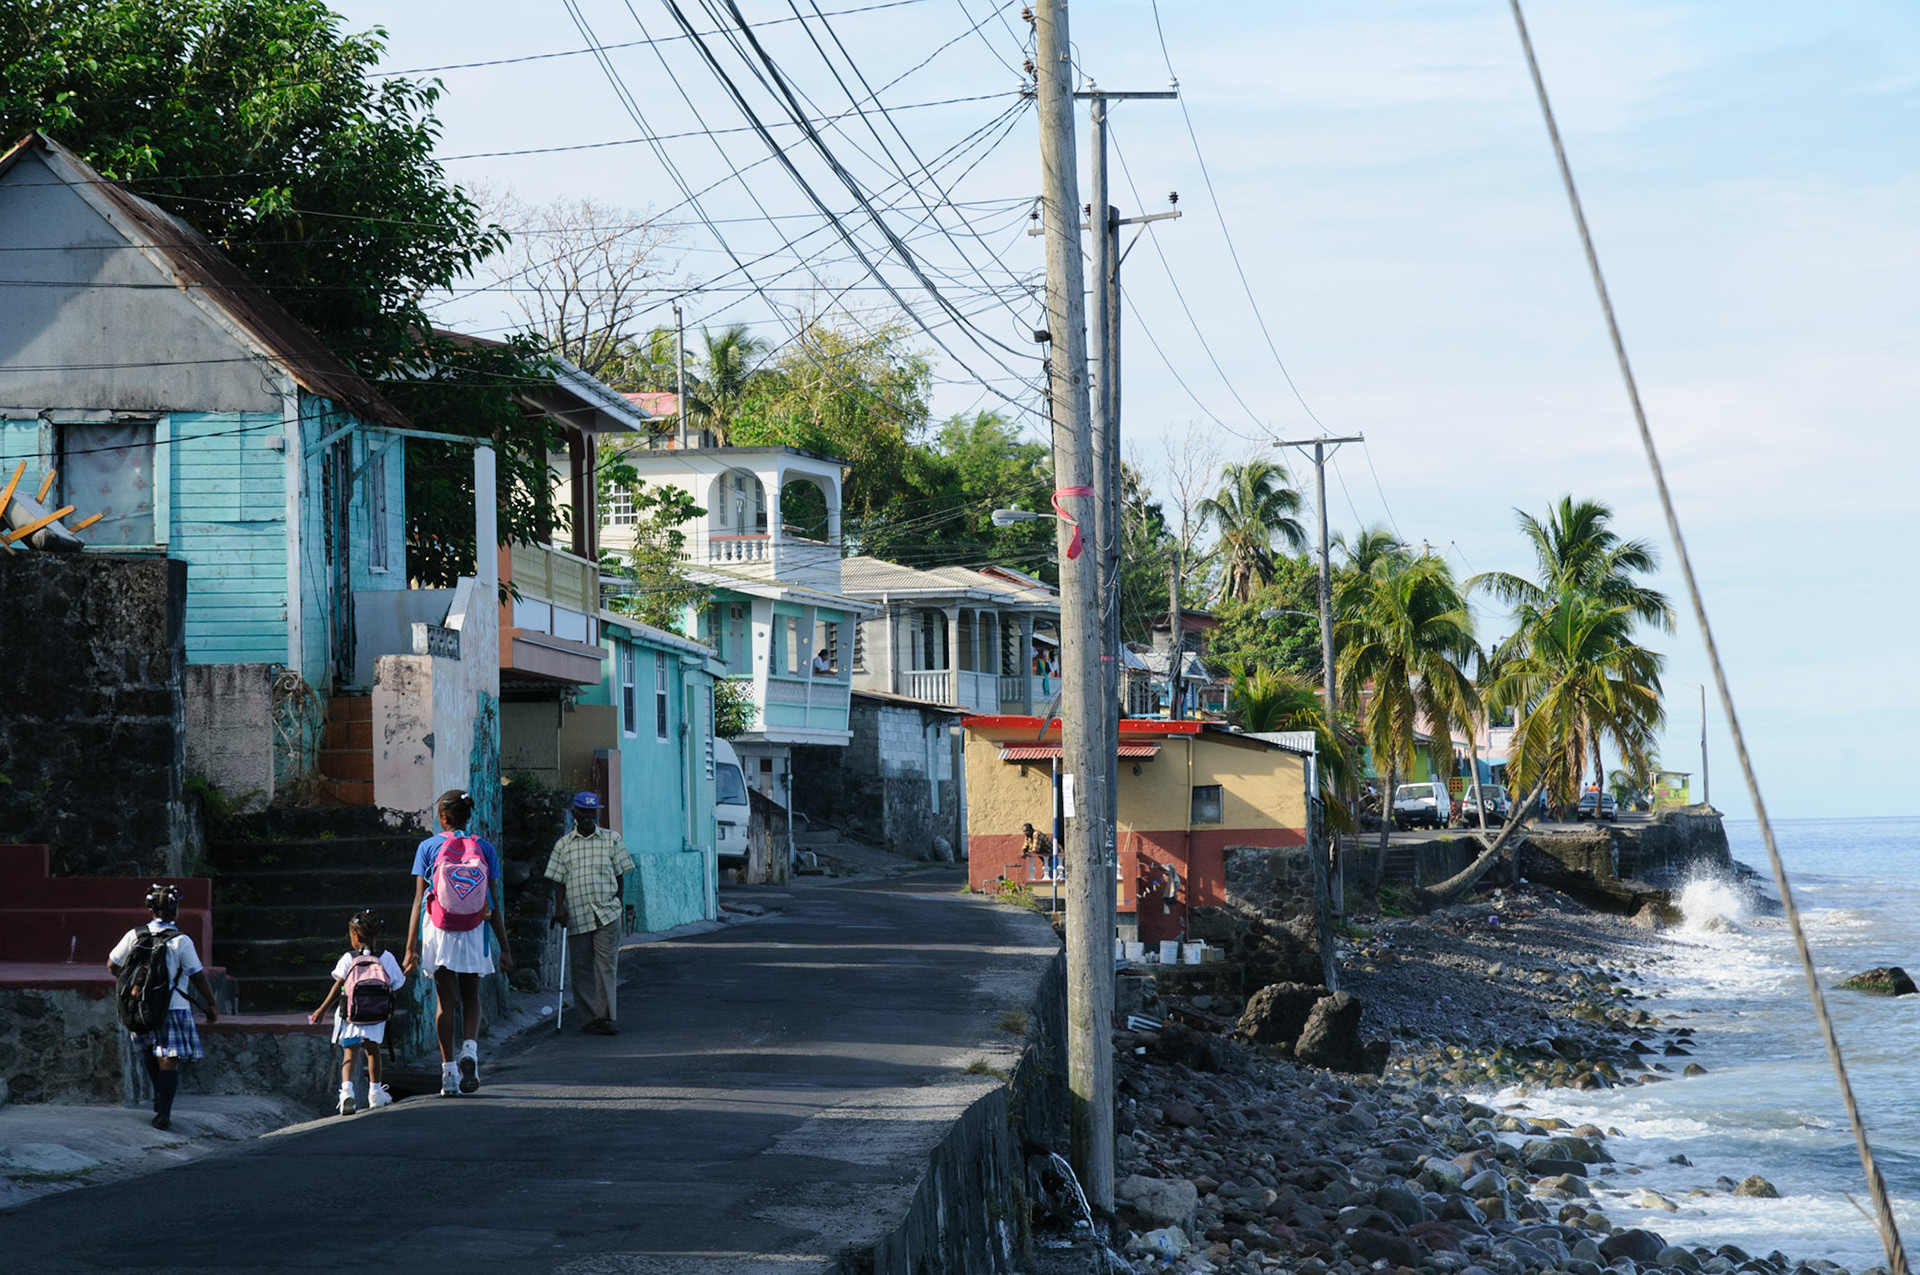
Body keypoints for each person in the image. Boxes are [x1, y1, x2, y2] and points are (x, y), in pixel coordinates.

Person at [404, 790, 512, 1096]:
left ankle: (449, 1072)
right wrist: (504, 948)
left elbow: (417, 901)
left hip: (439, 931)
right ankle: (470, 1051)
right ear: (467, 815)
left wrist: (411, 947)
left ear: (443, 818)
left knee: (445, 1001)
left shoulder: (427, 847)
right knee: (471, 996)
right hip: (475, 930)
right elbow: (494, 902)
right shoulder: (485, 848)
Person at [108, 884, 219, 1130]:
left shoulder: (135, 935)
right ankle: (164, 1113)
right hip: (174, 1007)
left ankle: (159, 1096)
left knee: (149, 1051)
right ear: (176, 910)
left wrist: (131, 984)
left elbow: (112, 964)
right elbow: (198, 976)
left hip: (140, 1006)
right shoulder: (182, 941)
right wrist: (210, 1004)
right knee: (168, 1058)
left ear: (150, 909)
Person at [546, 792, 635, 1036]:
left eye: (592, 812)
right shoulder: (564, 845)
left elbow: (620, 874)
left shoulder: (611, 839)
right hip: (577, 913)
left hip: (606, 913)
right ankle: (588, 1018)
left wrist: (619, 902)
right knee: (581, 967)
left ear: (597, 813)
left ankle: (605, 1017)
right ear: (574, 813)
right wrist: (560, 909)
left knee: (606, 965)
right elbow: (557, 880)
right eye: (583, 812)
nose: (588, 816)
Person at [308, 910, 406, 1115]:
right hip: (376, 1015)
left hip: (350, 1014)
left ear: (354, 935)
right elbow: (396, 984)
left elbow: (339, 986)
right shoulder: (386, 957)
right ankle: (375, 1093)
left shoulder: (348, 958)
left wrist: (322, 1009)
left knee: (350, 1052)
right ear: (377, 936)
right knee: (373, 1051)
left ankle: (346, 1092)